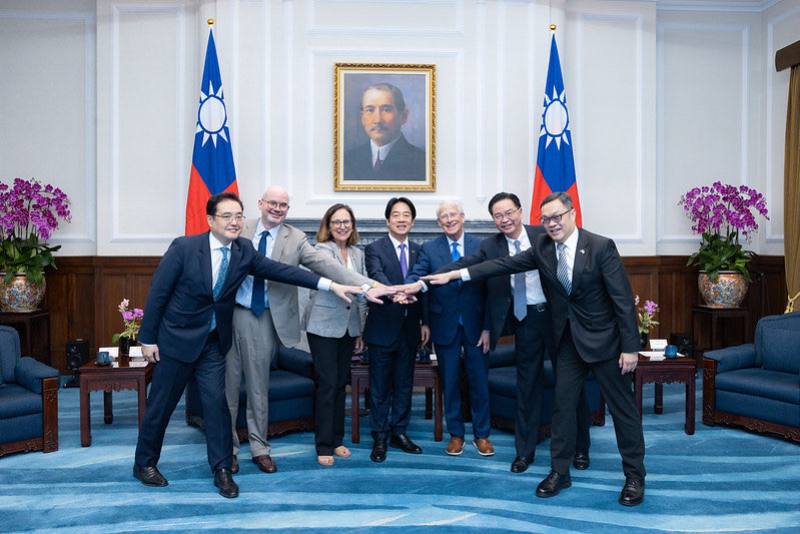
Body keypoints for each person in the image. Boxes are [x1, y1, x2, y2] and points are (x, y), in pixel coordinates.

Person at [133, 192, 372, 499]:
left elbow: (285, 272)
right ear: (210, 220)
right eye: (227, 216)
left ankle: (221, 468)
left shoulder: (243, 250)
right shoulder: (185, 248)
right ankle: (145, 463)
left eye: (238, 216)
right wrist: (148, 338)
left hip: (213, 344)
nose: (234, 222)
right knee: (161, 406)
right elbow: (158, 294)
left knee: (217, 405)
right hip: (176, 341)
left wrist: (332, 284)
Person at [423, 192, 646, 507]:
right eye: (547, 219)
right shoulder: (542, 247)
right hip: (567, 341)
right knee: (562, 406)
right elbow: (500, 264)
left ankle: (635, 476)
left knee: (623, 411)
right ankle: (560, 471)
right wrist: (453, 274)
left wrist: (630, 347)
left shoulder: (600, 246)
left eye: (557, 217)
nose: (552, 223)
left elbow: (622, 300)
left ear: (571, 214)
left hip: (605, 342)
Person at [225, 186, 384, 475]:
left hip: (262, 316)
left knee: (259, 386)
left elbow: (325, 266)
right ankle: (227, 449)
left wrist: (368, 285)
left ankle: (260, 448)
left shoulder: (295, 238)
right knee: (228, 385)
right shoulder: (239, 226)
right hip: (228, 313)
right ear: (260, 203)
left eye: (283, 205)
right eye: (272, 203)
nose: (277, 208)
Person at [403, 200, 495, 457]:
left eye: (453, 214)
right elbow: (418, 275)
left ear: (463, 217)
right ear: (438, 222)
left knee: (479, 382)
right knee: (450, 383)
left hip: (477, 328)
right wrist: (407, 288)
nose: (449, 219)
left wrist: (488, 327)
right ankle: (456, 435)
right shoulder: (430, 249)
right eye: (444, 216)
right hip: (444, 326)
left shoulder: (482, 246)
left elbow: (491, 291)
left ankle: (482, 435)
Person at [363, 197, 429, 462]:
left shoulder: (420, 250)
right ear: (387, 220)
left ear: (412, 221)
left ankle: (399, 431)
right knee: (380, 387)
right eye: (396, 215)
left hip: (410, 329)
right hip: (382, 328)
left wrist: (425, 322)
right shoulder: (374, 248)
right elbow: (376, 276)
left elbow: (424, 286)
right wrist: (398, 294)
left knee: (404, 384)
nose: (401, 219)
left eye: (406, 215)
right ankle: (379, 435)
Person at [304, 204, 368, 466]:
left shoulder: (358, 253)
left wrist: (361, 329)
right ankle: (323, 445)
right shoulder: (321, 251)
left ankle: (338, 439)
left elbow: (363, 292)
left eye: (347, 221)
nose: (342, 226)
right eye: (337, 222)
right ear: (328, 226)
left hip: (349, 327)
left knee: (341, 383)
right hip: (323, 326)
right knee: (328, 384)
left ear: (352, 226)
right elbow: (340, 279)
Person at [343, 83, 426, 181]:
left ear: (404, 116)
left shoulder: (421, 162)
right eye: (370, 110)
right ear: (362, 117)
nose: (377, 120)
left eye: (386, 110)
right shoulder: (347, 160)